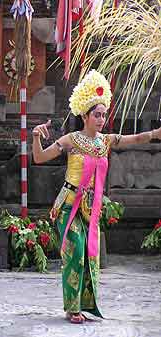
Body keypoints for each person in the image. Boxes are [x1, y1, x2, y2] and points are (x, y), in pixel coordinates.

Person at [32, 70, 161, 324]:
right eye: (97, 115)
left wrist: (156, 134)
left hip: (91, 208)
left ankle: (84, 305)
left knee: (90, 255)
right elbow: (39, 158)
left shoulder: (105, 141)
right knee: (76, 251)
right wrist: (36, 136)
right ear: (84, 115)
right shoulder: (71, 140)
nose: (101, 119)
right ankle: (72, 308)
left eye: (103, 114)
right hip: (69, 205)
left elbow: (133, 139)